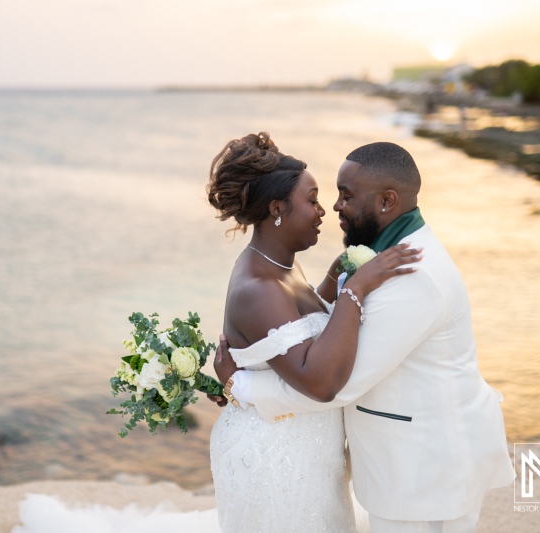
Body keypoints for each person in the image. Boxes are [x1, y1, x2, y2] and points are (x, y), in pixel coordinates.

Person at [213, 141, 515, 533]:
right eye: (319, 198)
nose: (333, 208)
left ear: (387, 201)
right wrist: (345, 288)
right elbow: (298, 338)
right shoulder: (385, 258)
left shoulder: (410, 275)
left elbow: (336, 384)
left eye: (345, 196)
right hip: (323, 459)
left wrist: (243, 386)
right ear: (276, 210)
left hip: (424, 473)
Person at [207, 133, 421, 533]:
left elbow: (296, 325)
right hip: (276, 458)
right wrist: (356, 290)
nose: (324, 210)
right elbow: (318, 382)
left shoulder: (281, 265)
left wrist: (331, 282)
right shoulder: (259, 288)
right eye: (312, 199)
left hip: (306, 450)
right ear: (277, 209)